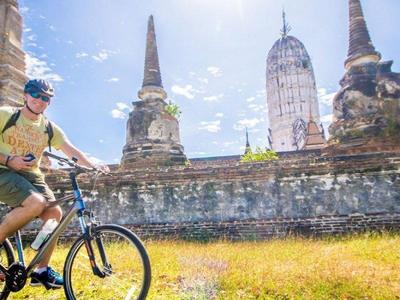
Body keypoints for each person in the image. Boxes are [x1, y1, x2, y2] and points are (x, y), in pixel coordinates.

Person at [0, 79, 108, 289]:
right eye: (35, 95)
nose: (40, 101)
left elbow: (72, 151)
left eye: (45, 98)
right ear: (25, 95)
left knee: (54, 213)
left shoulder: (49, 129)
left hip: (31, 175)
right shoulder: (5, 115)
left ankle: (41, 270)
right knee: (35, 203)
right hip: (3, 170)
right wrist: (8, 160)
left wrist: (94, 165)